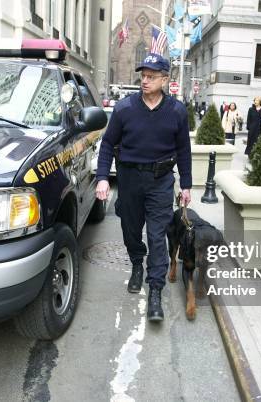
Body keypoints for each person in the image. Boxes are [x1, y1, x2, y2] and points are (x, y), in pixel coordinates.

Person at [95, 53, 192, 323]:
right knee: (130, 230)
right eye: (143, 75)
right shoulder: (125, 109)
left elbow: (184, 150)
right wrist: (103, 177)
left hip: (161, 182)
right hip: (129, 181)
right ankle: (137, 263)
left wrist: (186, 184)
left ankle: (155, 292)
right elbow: (106, 145)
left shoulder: (177, 111)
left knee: (157, 236)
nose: (145, 80)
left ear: (164, 79)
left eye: (151, 76)